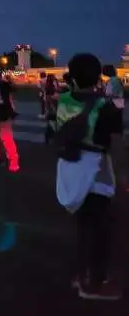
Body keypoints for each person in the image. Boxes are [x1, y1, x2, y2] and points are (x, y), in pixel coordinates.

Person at [53, 53, 124, 300]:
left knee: (83, 226)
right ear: (97, 77)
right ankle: (94, 283)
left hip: (70, 167)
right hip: (96, 170)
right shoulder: (104, 106)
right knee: (101, 228)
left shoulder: (62, 100)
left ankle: (82, 275)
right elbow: (114, 139)